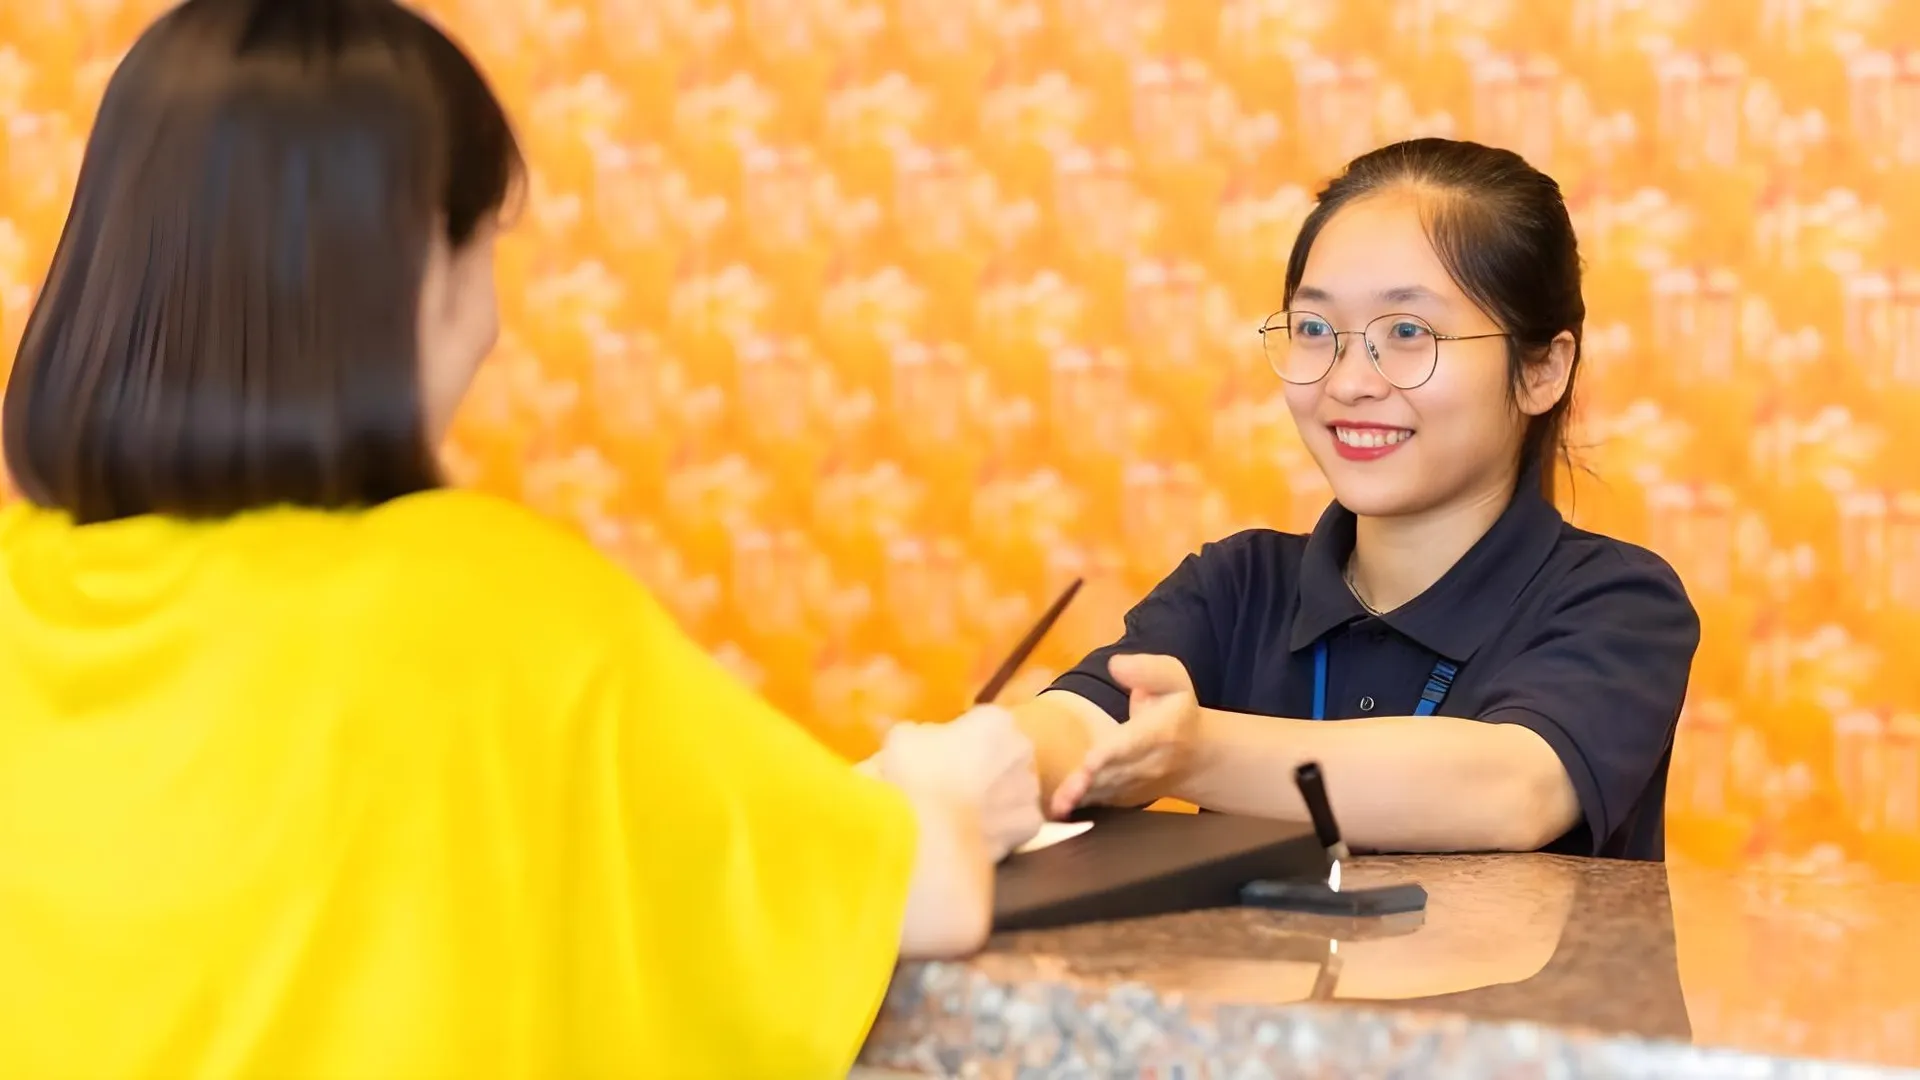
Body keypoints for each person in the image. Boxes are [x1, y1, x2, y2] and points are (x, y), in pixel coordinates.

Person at [0, 1, 1040, 1077]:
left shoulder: (16, 596)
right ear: (411, 273)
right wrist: (944, 782)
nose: (492, 324)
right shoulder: (485, 605)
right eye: (484, 246)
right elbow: (934, 894)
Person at [1013, 139, 1700, 860]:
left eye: (1407, 332)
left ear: (1542, 370)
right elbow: (1078, 725)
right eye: (1315, 330)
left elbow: (1511, 791)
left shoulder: (1618, 603)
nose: (1347, 382)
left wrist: (1193, 752)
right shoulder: (1237, 588)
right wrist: (979, 767)